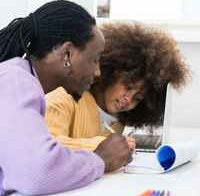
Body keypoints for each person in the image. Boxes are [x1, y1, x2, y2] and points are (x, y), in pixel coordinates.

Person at [0, 0, 133, 196]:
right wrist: (101, 159)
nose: (97, 72)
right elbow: (35, 172)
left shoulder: (21, 78)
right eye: (94, 59)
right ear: (67, 53)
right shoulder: (16, 80)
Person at [45, 21, 190, 151]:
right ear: (110, 72)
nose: (128, 99)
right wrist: (103, 147)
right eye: (128, 87)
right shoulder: (63, 97)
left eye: (138, 98)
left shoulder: (119, 122)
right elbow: (46, 146)